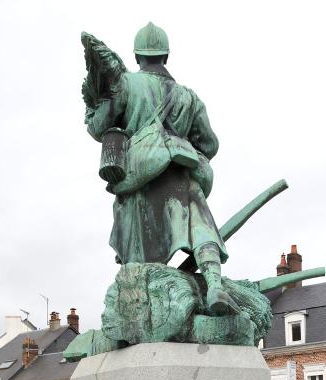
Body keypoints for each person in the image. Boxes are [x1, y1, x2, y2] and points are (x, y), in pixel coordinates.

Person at [85, 22, 238, 315]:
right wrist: (179, 148)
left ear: (137, 56)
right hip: (181, 180)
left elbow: (99, 127)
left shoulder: (127, 84)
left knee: (138, 267)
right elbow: (210, 144)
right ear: (165, 56)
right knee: (201, 228)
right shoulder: (189, 98)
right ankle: (214, 283)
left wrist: (94, 108)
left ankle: (141, 314)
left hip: (139, 186)